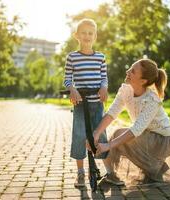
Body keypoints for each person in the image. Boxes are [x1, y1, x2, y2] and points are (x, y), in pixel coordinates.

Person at [93, 58, 170, 184]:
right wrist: (96, 132)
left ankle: (154, 167)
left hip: (164, 141)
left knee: (118, 136)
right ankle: (114, 174)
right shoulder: (125, 90)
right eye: (130, 68)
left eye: (132, 71)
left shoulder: (151, 100)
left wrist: (108, 146)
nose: (127, 71)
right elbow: (112, 113)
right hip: (147, 136)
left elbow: (136, 130)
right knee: (111, 136)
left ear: (143, 81)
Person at [63, 18, 109, 187]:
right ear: (77, 36)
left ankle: (109, 171)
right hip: (80, 103)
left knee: (101, 134)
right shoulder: (72, 57)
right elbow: (67, 79)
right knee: (79, 134)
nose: (87, 36)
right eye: (83, 33)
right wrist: (72, 89)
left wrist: (104, 87)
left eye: (90, 33)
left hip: (97, 102)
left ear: (95, 36)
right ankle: (80, 173)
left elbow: (104, 78)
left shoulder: (100, 57)